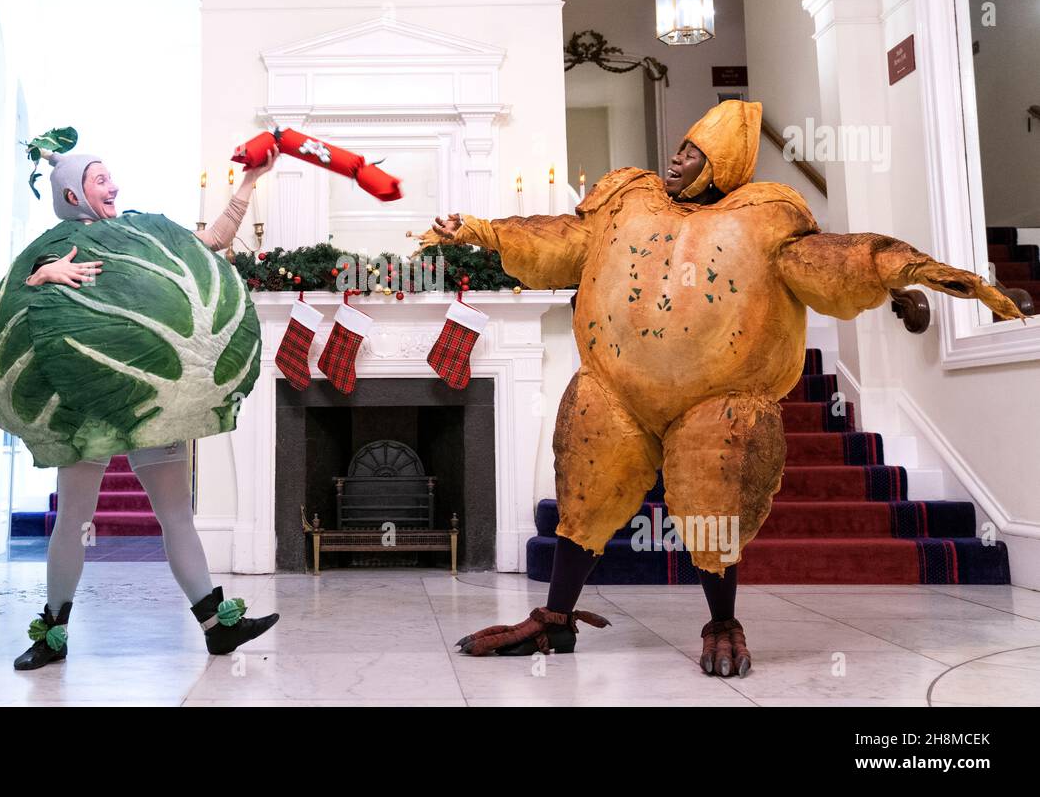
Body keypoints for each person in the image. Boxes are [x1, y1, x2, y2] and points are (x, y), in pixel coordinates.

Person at [417, 100, 1022, 677]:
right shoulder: (627, 201)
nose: (676, 159)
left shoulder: (767, 219)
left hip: (716, 401)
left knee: (713, 509)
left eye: (692, 153)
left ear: (723, 167)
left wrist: (916, 269)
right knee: (580, 504)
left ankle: (722, 621)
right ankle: (556, 617)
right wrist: (479, 230)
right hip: (614, 388)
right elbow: (563, 239)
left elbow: (834, 260)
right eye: (678, 148)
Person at [13, 143, 282, 670]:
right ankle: (52, 634)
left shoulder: (142, 235)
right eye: (99, 179)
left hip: (150, 399)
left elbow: (211, 243)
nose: (112, 186)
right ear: (74, 194)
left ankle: (216, 627)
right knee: (73, 520)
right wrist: (43, 276)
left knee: (176, 515)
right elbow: (22, 295)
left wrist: (249, 183)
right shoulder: (57, 246)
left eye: (111, 177)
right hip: (85, 405)